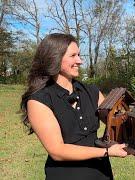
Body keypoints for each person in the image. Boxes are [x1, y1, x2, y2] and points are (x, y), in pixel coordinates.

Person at [20, 33, 127, 180]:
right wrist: (106, 151)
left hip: (101, 174)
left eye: (79, 55)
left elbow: (118, 120)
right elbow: (57, 151)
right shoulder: (39, 100)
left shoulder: (92, 92)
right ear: (54, 57)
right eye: (73, 55)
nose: (80, 60)